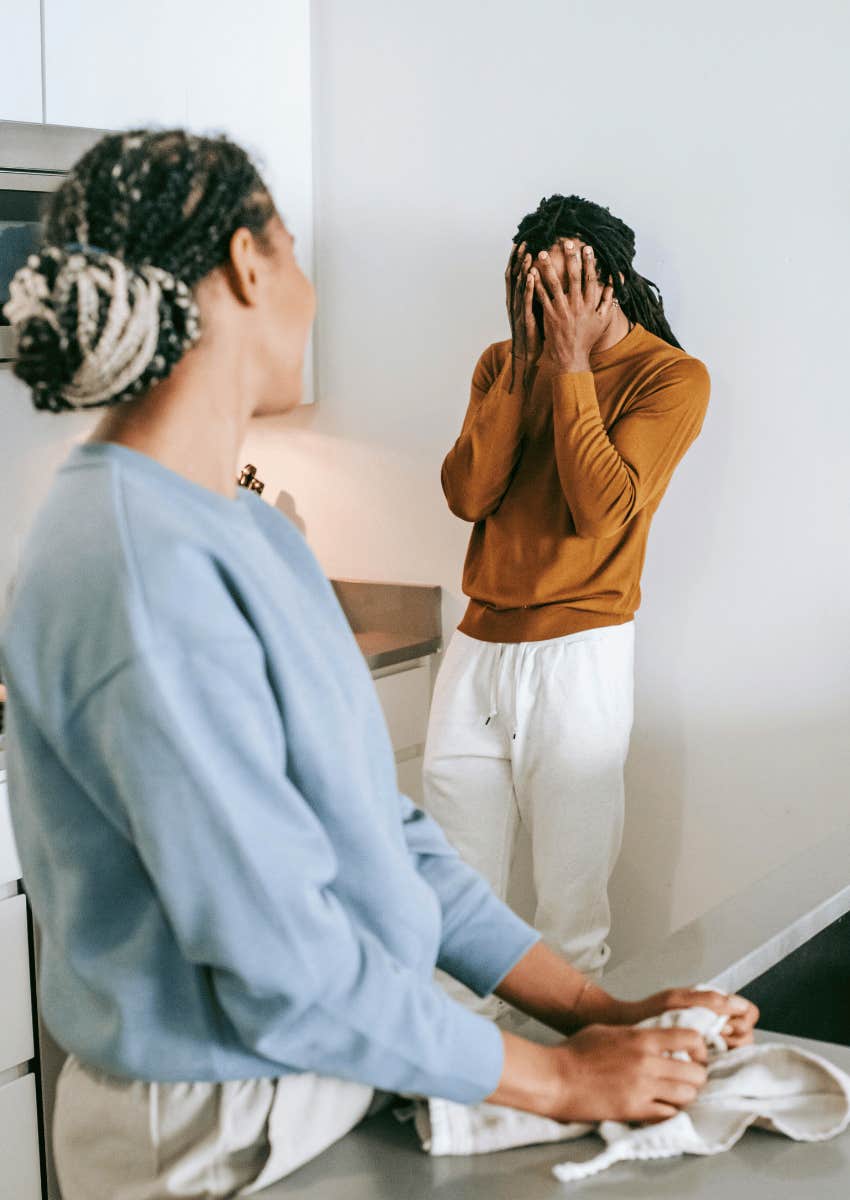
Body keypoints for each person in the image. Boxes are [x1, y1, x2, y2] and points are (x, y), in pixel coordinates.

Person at [0, 137, 756, 1200]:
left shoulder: (244, 533)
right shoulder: (135, 562)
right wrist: (552, 1080)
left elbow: (386, 839)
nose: (312, 294)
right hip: (208, 1131)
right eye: (297, 253)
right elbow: (279, 955)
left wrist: (592, 1015)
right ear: (248, 265)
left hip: (311, 1076)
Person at [424, 195, 711, 1001]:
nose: (544, 308)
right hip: (477, 652)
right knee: (453, 907)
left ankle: (571, 1094)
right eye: (529, 289)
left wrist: (573, 364)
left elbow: (601, 509)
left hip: (579, 658)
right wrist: (525, 358)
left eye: (562, 289)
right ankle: (457, 1103)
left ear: (607, 283)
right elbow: (468, 494)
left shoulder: (671, 377)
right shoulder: (501, 361)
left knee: (569, 917)